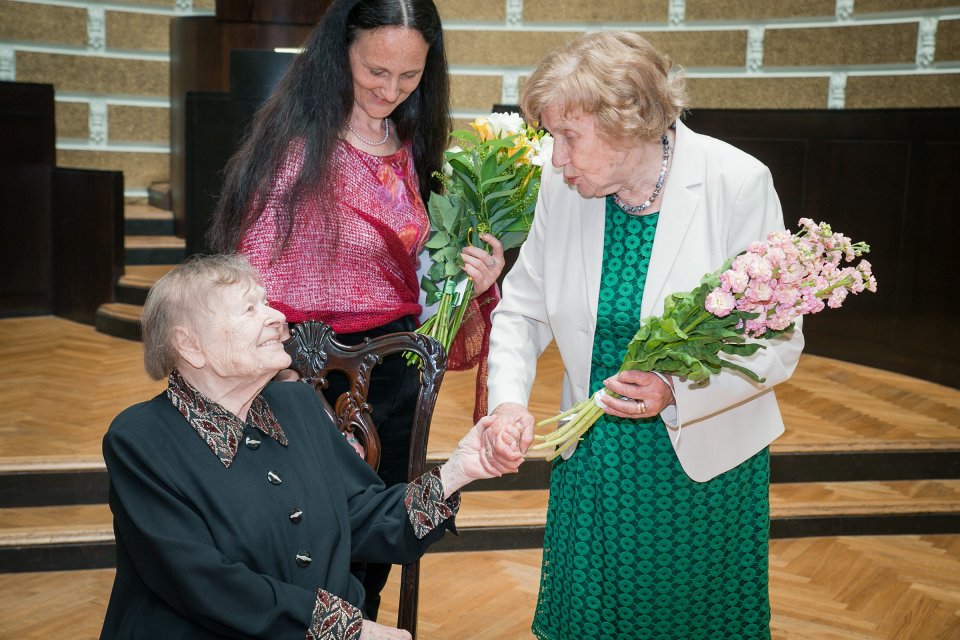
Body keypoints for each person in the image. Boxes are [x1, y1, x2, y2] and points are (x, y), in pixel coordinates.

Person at [484, 32, 806, 640]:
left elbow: (778, 342)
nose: (556, 159)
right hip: (595, 458)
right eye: (552, 136)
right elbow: (521, 311)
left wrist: (676, 388)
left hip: (700, 462)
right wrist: (507, 401)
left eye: (568, 137)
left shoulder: (736, 182)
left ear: (627, 121)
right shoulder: (565, 189)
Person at [206, 0, 504, 618]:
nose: (390, 90)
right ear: (339, 53)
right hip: (293, 374)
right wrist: (273, 369)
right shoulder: (294, 148)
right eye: (375, 71)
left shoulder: (419, 150)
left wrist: (474, 280)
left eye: (410, 77)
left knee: (376, 534)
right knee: (295, 536)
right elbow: (252, 273)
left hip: (394, 372)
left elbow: (430, 276)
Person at [99, 254, 518, 640]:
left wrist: (458, 471)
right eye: (250, 309)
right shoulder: (141, 440)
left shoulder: (295, 404)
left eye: (267, 303)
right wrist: (346, 629)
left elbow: (363, 519)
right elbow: (200, 582)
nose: (277, 316)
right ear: (189, 345)